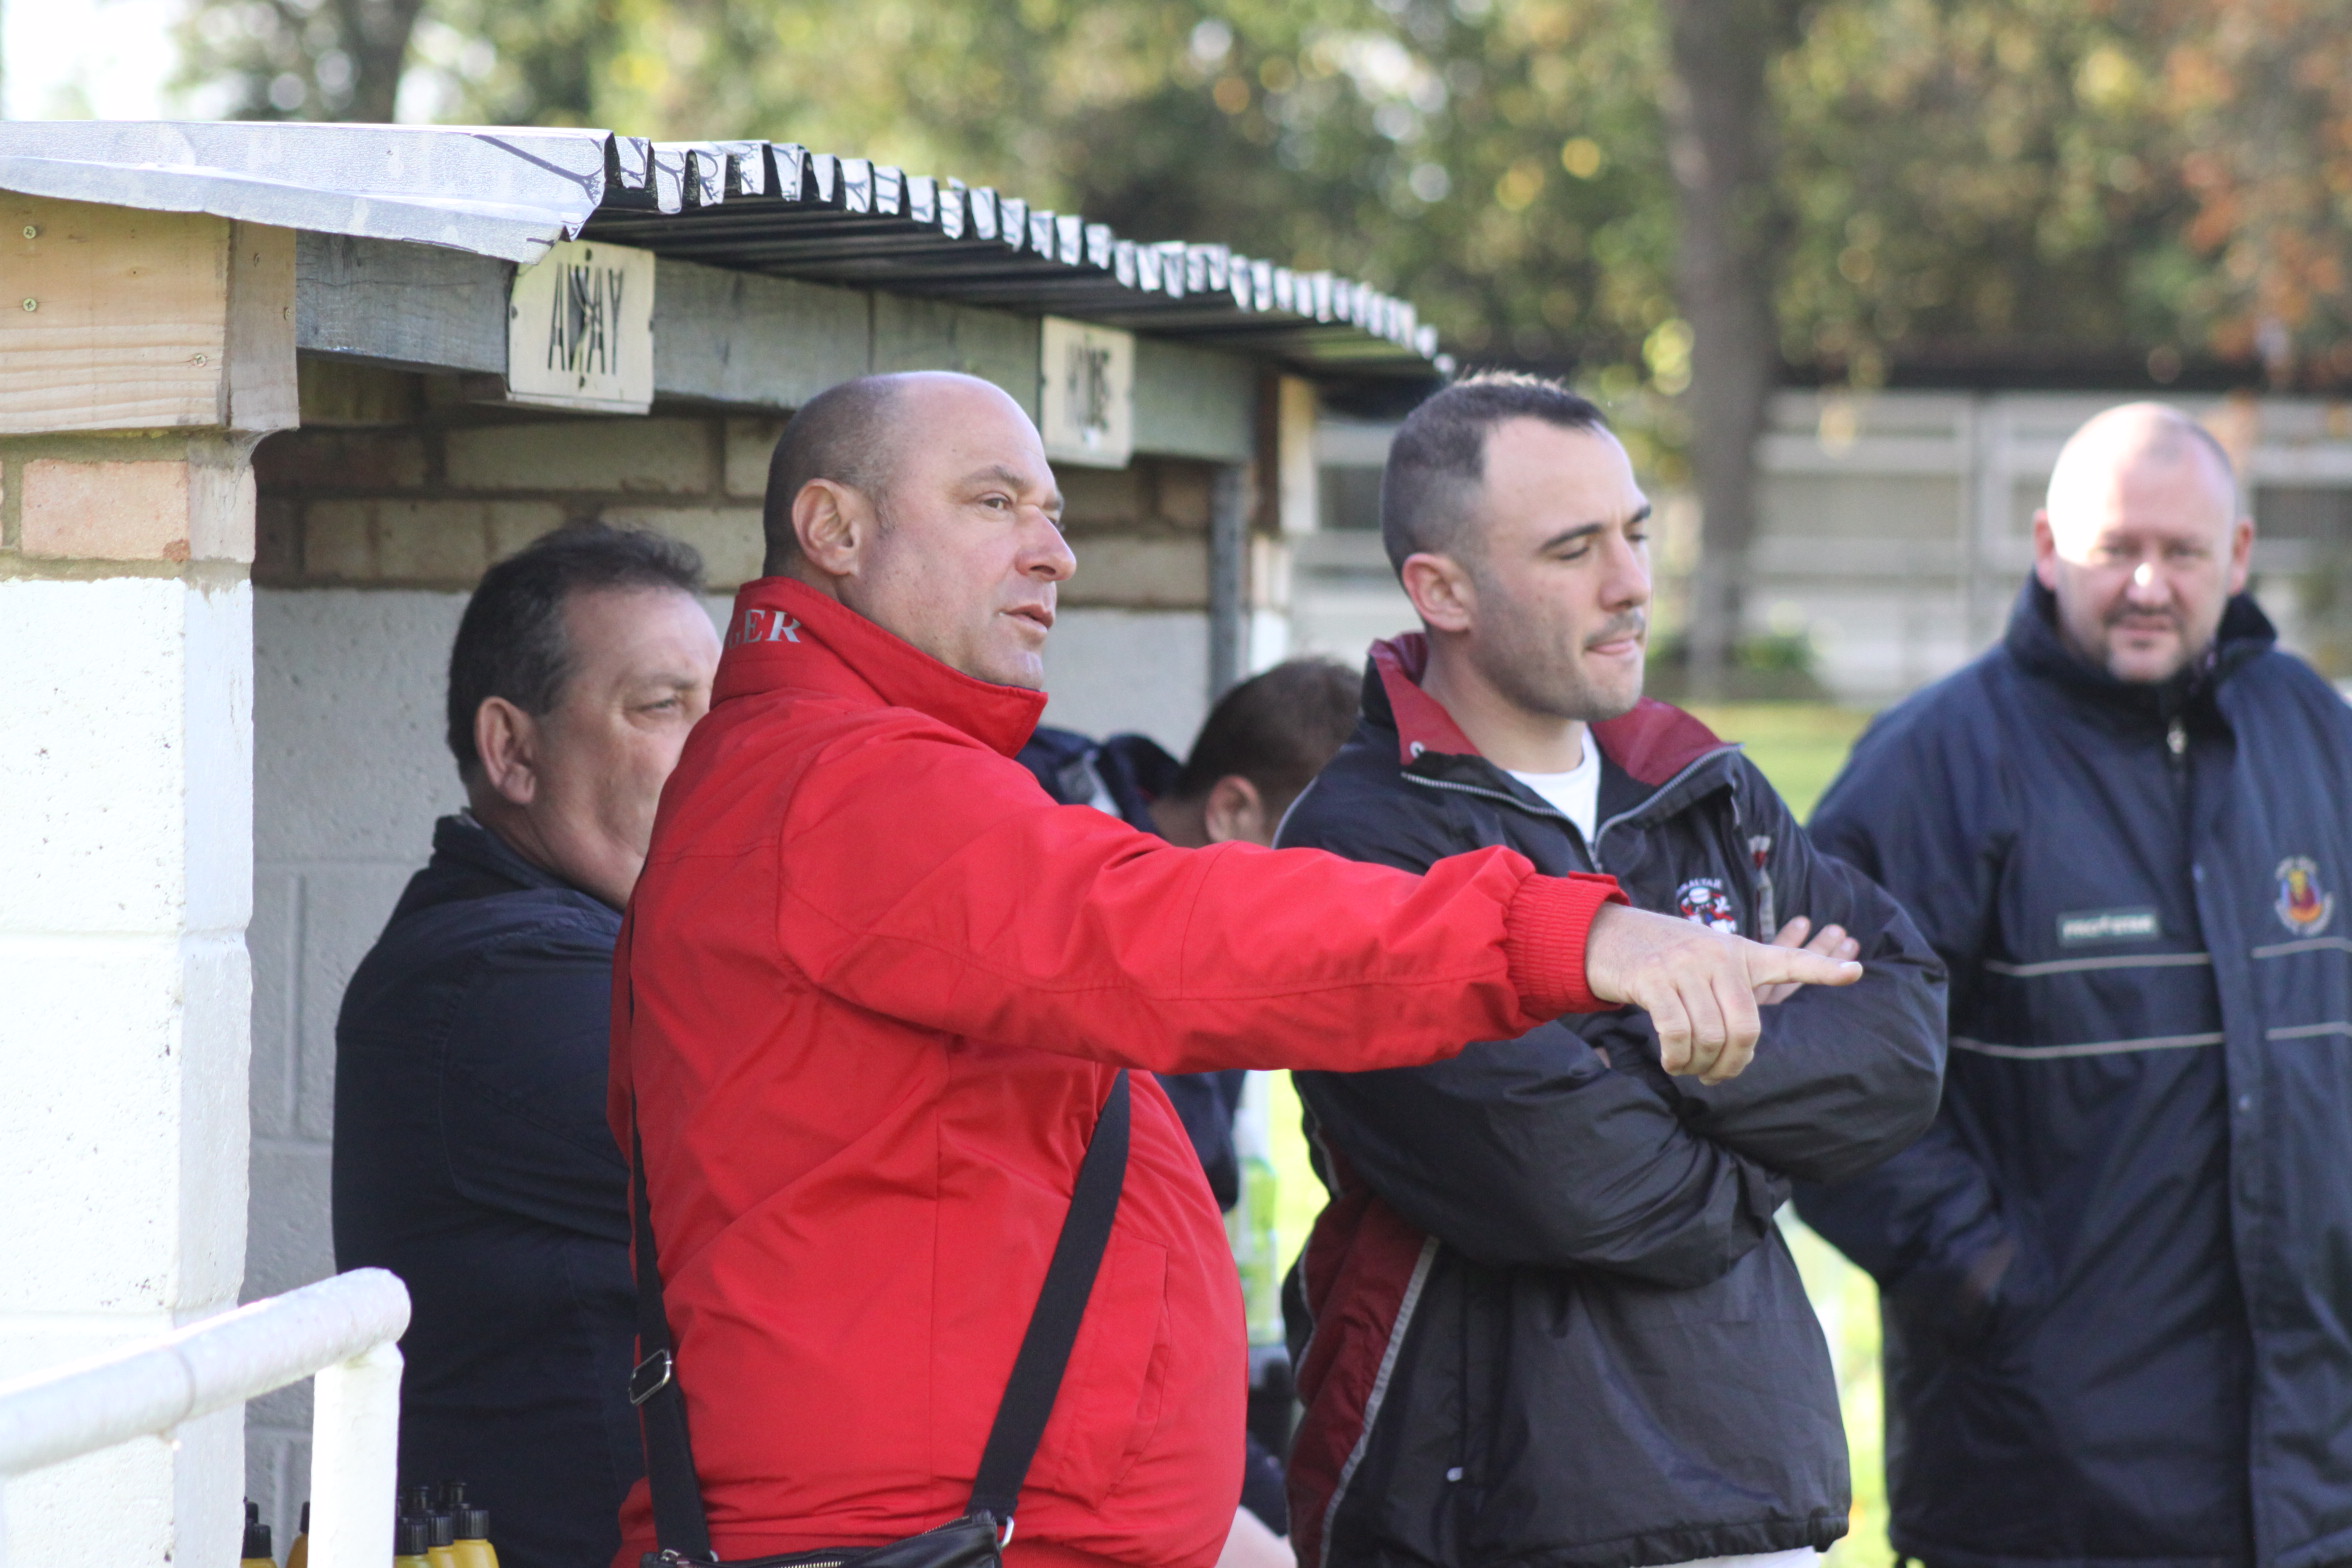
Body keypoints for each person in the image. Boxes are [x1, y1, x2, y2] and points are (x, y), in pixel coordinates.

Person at [609, 371, 1864, 1568]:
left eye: (1055, 512)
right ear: (833, 527)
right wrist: (1568, 936)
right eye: (996, 503)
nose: (1054, 551)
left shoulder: (852, 774)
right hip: (908, 1533)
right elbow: (1167, 936)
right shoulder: (840, 782)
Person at [1274, 373, 1949, 1568]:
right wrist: (1766, 1095)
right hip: (1489, 1512)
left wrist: (1622, 1046)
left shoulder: (1699, 778)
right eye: (1574, 548)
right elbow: (1568, 1176)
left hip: (1756, 1487)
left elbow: (1902, 1040)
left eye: (1636, 533)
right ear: (1442, 588)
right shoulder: (1363, 844)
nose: (1632, 582)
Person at [1795, 403, 2352, 1568]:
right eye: (2115, 548)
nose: (2147, 582)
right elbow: (1812, 1064)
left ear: (2238, 556)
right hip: (2043, 1480)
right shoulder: (1934, 768)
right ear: (2048, 547)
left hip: (2313, 1470)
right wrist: (1988, 1281)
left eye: (2183, 551)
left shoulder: (2314, 735)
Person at [334, 523, 722, 1568]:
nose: (721, 750)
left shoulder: (605, 943)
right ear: (513, 749)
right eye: (661, 707)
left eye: (723, 710)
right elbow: (828, 1157)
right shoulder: (501, 978)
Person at [1019, 658, 1364, 1559]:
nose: (1342, 917)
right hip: (1062, 1435)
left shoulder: (1204, 924)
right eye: (1325, 868)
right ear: (1234, 810)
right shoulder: (1089, 933)